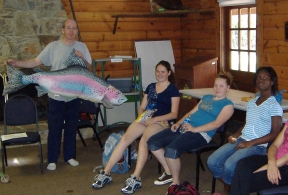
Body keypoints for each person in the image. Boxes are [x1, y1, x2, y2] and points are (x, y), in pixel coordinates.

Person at [6, 19, 92, 171]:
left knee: (71, 128)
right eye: (68, 28)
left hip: (73, 96)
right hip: (56, 96)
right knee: (55, 129)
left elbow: (90, 69)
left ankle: (69, 156)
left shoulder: (82, 47)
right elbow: (35, 61)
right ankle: (52, 159)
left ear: (77, 31)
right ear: (62, 30)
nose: (71, 31)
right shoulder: (53, 47)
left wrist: (82, 57)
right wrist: (18, 63)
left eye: (74, 28)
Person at [92, 60, 180, 194]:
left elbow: (174, 114)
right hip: (147, 118)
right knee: (125, 138)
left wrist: (155, 119)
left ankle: (136, 177)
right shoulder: (150, 87)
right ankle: (106, 172)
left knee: (144, 140)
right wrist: (142, 117)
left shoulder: (173, 89)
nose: (160, 74)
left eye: (163, 72)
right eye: (158, 71)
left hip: (161, 121)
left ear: (168, 73)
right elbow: (141, 107)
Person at [147, 74, 234, 194]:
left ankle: (175, 183)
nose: (217, 88)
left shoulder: (227, 105)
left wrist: (194, 129)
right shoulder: (206, 97)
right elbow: (190, 112)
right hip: (186, 127)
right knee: (152, 142)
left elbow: (215, 124)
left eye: (221, 86)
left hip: (202, 134)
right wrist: (178, 123)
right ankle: (169, 171)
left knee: (171, 150)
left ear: (227, 88)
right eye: (215, 85)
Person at [207, 67, 283, 195]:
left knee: (229, 166)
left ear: (272, 82)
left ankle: (227, 191)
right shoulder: (252, 102)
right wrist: (235, 135)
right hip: (242, 140)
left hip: (258, 146)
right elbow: (247, 123)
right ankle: (234, 186)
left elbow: (275, 134)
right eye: (258, 77)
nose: (261, 80)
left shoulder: (274, 105)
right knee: (212, 161)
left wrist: (251, 143)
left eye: (265, 78)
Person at [230, 120, 288, 194]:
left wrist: (262, 169)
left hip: (285, 167)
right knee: (243, 164)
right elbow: (274, 146)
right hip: (273, 159)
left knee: (245, 180)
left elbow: (286, 159)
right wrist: (271, 162)